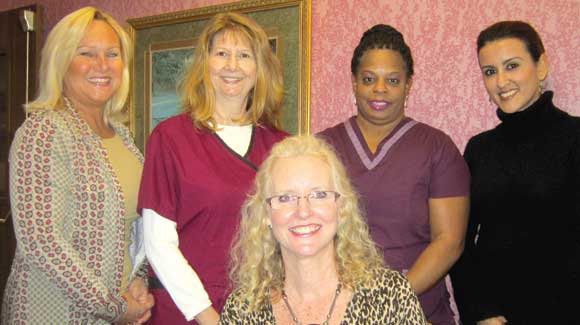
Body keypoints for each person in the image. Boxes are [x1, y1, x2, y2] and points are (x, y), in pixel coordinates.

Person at [1, 7, 154, 324]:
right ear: (61, 61)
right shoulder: (43, 132)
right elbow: (42, 243)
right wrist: (114, 308)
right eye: (86, 53)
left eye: (112, 54)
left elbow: (136, 229)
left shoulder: (124, 138)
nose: (102, 66)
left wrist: (139, 279)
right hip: (51, 314)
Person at [137, 12, 287, 324]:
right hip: (185, 307)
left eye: (244, 55)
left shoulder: (281, 147)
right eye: (221, 54)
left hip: (258, 307)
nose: (232, 66)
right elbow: (157, 241)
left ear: (260, 69)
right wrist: (207, 315)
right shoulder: (170, 138)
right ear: (205, 64)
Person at [318, 24, 470, 324]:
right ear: (354, 82)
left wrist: (390, 301)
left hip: (418, 310)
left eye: (393, 80)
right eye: (369, 79)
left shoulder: (436, 147)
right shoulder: (321, 147)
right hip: (337, 310)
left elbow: (449, 241)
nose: (380, 90)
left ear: (408, 84)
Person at [449, 21, 580, 325]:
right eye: (490, 71)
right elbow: (460, 241)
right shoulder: (479, 149)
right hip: (492, 318)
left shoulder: (575, 138)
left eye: (512, 66)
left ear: (541, 65)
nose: (501, 81)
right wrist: (478, 311)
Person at [219, 135, 427, 324]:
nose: (303, 211)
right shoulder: (242, 310)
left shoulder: (391, 297)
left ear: (341, 207)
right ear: (266, 214)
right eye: (286, 198)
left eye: (319, 195)